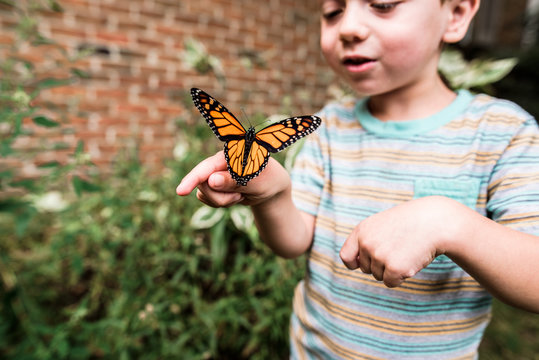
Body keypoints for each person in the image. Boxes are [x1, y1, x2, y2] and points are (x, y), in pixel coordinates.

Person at [177, 0, 539, 358]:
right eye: (333, 12)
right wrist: (273, 194)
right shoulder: (329, 127)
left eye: (382, 4)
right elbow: (292, 242)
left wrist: (451, 224)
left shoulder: (503, 133)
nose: (348, 27)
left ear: (456, 15)